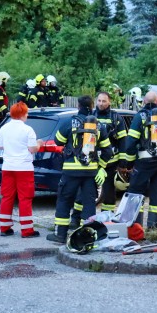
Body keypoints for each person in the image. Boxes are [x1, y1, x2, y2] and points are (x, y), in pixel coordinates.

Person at [46, 96, 113, 244]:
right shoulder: (99, 126)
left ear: (78, 106)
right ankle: (86, 237)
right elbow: (108, 151)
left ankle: (60, 235)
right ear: (92, 106)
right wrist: (100, 167)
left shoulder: (70, 122)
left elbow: (58, 141)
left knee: (64, 200)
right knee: (89, 204)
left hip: (70, 171)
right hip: (90, 172)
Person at [69, 91, 127, 228]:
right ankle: (75, 219)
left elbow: (123, 140)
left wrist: (123, 162)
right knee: (83, 192)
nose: (101, 104)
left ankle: (106, 222)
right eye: (99, 101)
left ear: (109, 102)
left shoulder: (116, 117)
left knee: (109, 194)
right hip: (92, 162)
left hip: (110, 162)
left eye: (104, 101)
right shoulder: (91, 117)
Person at [121, 91, 157, 229]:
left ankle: (136, 226)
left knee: (136, 192)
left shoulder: (139, 117)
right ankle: (153, 227)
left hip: (144, 162)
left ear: (144, 102)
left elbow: (130, 143)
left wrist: (129, 163)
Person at [0, 102, 44, 238]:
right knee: (25, 198)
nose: (27, 115)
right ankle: (27, 230)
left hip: (8, 167)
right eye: (26, 113)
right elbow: (32, 149)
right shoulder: (28, 129)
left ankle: (4, 227)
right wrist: (39, 143)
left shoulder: (4, 128)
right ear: (23, 114)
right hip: (24, 168)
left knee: (7, 197)